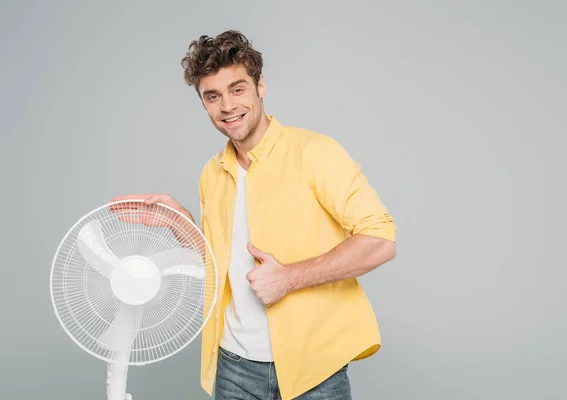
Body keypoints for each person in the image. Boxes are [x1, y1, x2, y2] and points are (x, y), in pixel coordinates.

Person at [113, 30, 396, 400]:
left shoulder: (315, 153)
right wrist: (177, 220)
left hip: (315, 370)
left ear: (260, 86)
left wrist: (289, 278)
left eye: (237, 89)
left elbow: (380, 240)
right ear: (203, 103)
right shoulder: (211, 173)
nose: (227, 106)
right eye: (212, 96)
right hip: (233, 368)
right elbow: (217, 265)